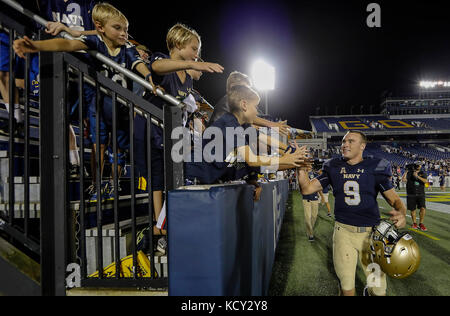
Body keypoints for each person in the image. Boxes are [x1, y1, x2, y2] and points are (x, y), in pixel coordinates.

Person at [14, 2, 156, 202]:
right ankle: (96, 184)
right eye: (118, 28)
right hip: (98, 104)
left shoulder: (128, 48)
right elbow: (67, 44)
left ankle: (113, 184)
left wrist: (149, 78)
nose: (124, 33)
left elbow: (139, 64)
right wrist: (37, 46)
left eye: (126, 29)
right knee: (98, 146)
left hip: (120, 107)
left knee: (117, 149)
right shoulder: (95, 41)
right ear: (100, 27)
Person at [297, 131, 406, 296]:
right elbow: (306, 189)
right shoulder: (333, 166)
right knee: (347, 288)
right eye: (343, 141)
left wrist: (401, 212)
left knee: (378, 291)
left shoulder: (375, 167)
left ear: (362, 146)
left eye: (350, 141)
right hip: (343, 233)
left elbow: (395, 200)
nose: (345, 144)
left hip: (371, 237)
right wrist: (301, 169)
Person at [208, 71, 291, 137]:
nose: (248, 92)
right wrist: (272, 124)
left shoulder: (239, 107)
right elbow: (252, 118)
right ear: (233, 86)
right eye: (245, 88)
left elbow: (256, 117)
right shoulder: (228, 101)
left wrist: (273, 124)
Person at [402, 163, 428, 231]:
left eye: (419, 164)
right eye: (417, 164)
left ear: (420, 166)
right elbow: (404, 180)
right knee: (413, 209)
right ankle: (414, 223)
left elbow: (425, 181)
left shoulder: (423, 173)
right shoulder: (409, 173)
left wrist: (417, 176)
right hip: (411, 194)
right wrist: (406, 172)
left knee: (423, 208)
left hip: (421, 194)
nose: (418, 165)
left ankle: (421, 223)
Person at [300, 167, 319, 241]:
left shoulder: (316, 175)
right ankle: (311, 234)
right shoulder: (302, 175)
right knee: (308, 218)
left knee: (314, 216)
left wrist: (321, 197)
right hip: (306, 199)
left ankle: (309, 230)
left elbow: (318, 186)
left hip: (315, 199)